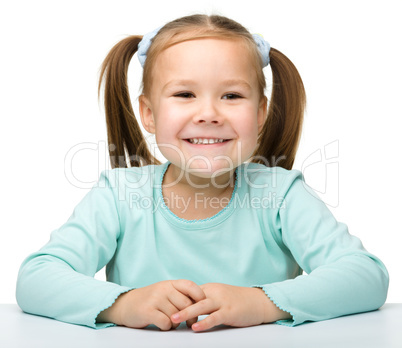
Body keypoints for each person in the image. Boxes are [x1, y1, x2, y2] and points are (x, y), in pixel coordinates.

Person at [16, 14, 389, 332]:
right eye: (184, 94)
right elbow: (36, 279)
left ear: (260, 114)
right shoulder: (118, 195)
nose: (209, 113)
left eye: (231, 96)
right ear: (148, 112)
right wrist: (122, 303)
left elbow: (365, 277)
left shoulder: (280, 195)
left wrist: (261, 302)